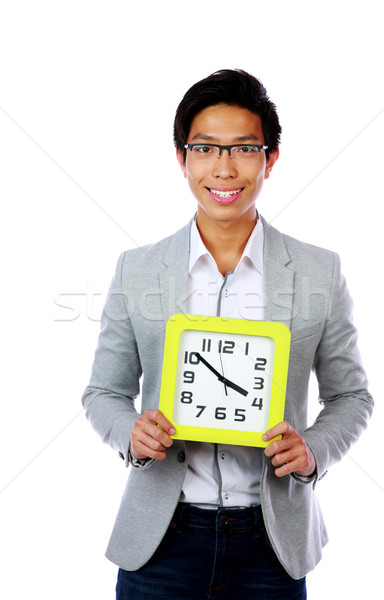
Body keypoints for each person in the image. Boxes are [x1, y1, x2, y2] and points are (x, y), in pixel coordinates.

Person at [81, 69, 373, 599]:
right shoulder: (137, 270)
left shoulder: (318, 271)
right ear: (182, 158)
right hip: (161, 542)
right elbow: (103, 392)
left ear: (270, 159)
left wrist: (312, 451)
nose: (224, 168)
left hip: (272, 543)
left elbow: (351, 396)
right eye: (206, 148)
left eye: (243, 149)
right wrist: (131, 434)